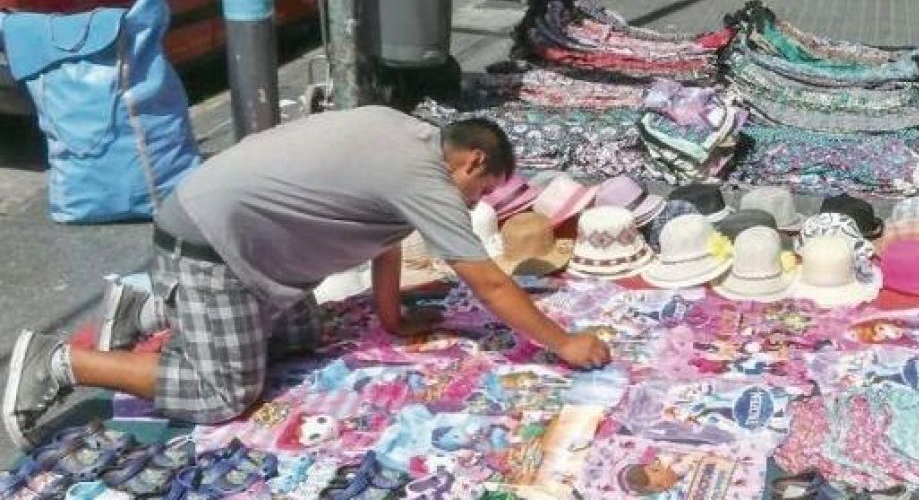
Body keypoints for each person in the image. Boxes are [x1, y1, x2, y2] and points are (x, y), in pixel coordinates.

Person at [2, 106, 610, 450]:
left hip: (239, 241)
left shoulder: (403, 132)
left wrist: (392, 319)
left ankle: (151, 311)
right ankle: (61, 362)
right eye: (483, 187)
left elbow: (386, 235)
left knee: (300, 339)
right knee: (224, 396)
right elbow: (491, 283)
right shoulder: (424, 177)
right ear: (474, 161)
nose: (477, 198)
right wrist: (563, 343)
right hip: (210, 245)